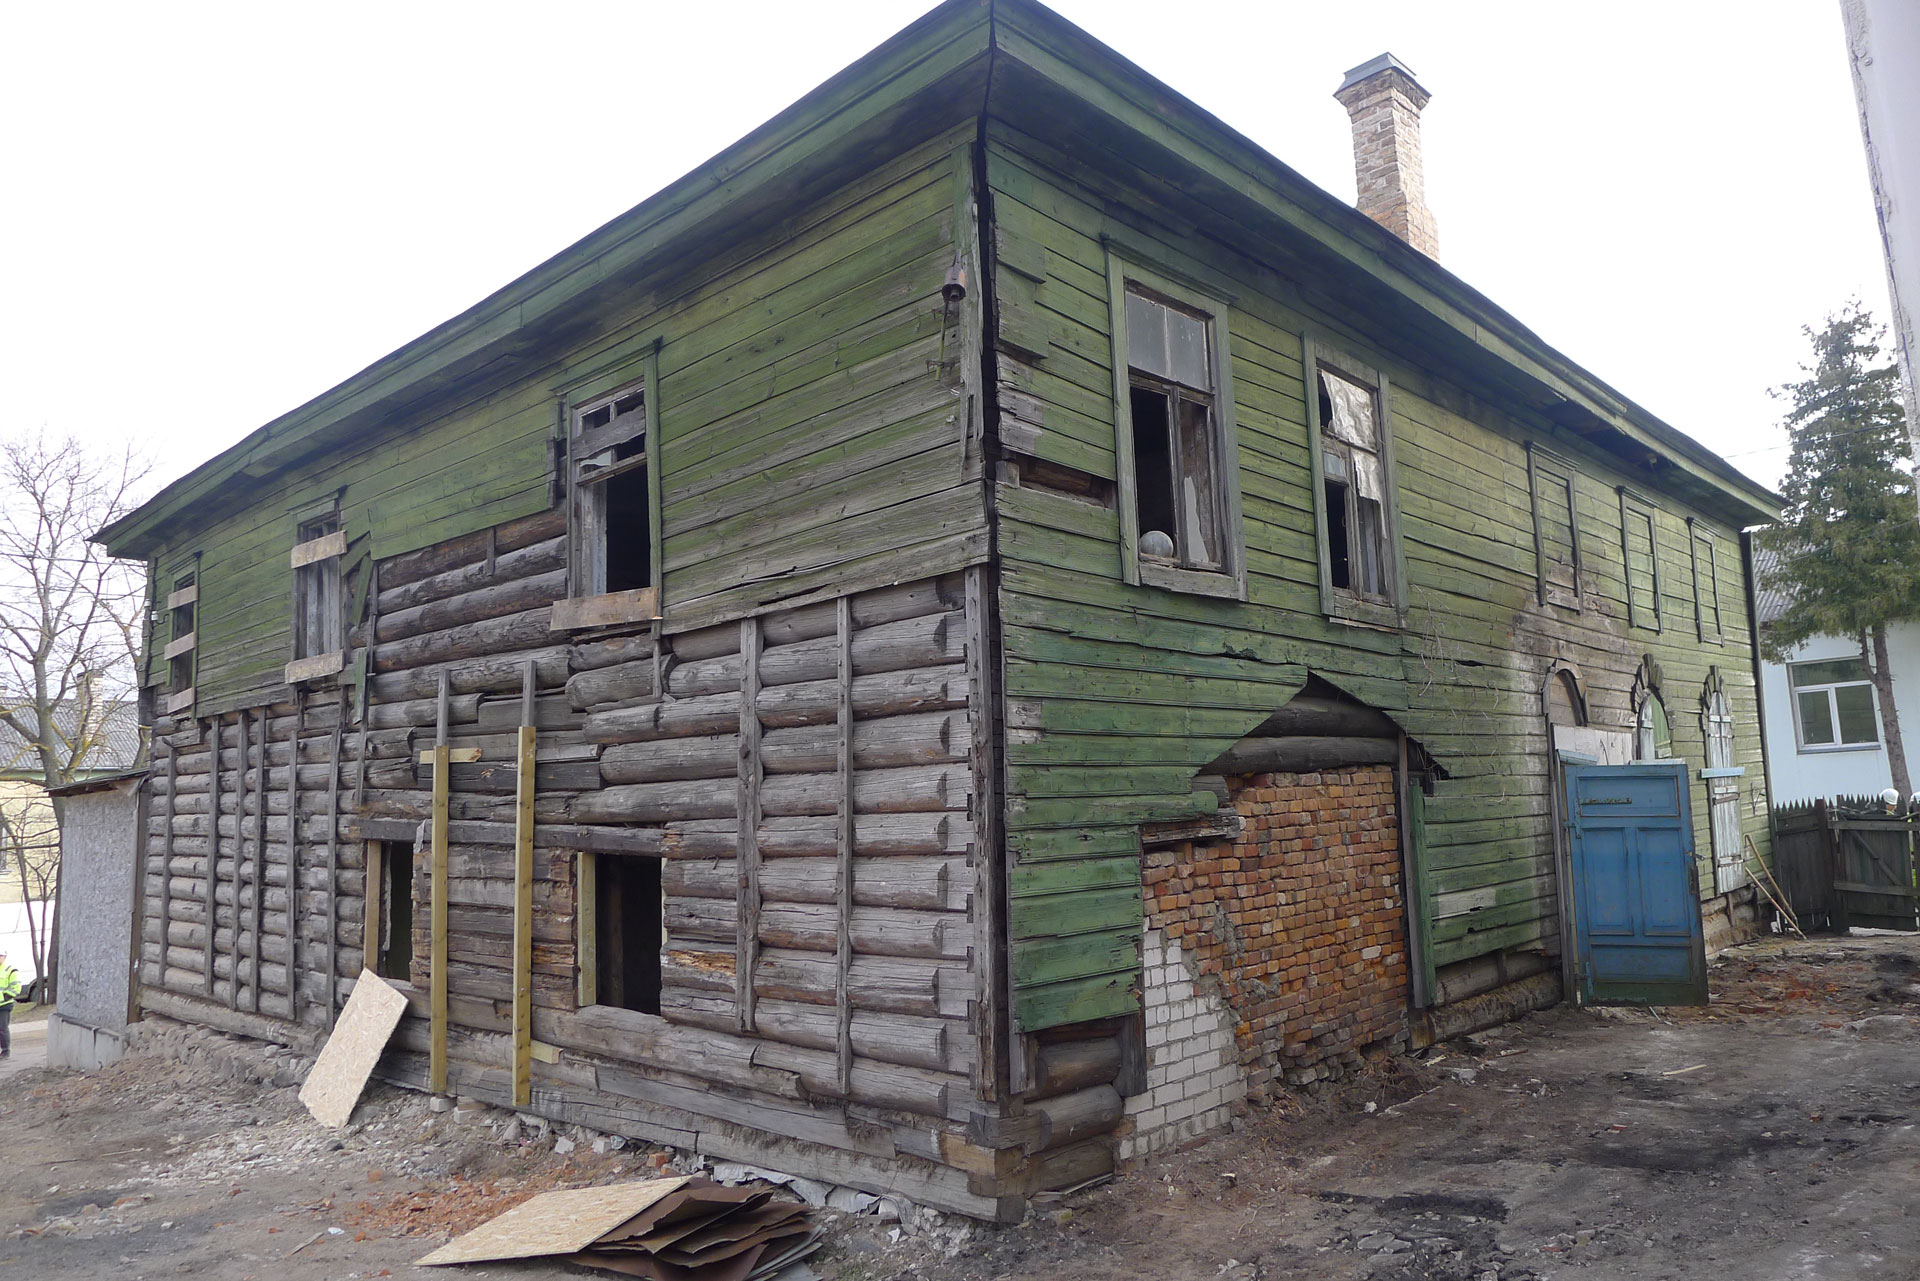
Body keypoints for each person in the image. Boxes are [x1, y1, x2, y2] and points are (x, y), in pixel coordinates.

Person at [0, 951, 18, 1058]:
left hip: (4, 1005)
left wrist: (3, 998)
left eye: (0, 956)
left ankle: (5, 1051)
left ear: (5, 957)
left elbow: (16, 988)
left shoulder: (10, 970)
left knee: (2, 1028)